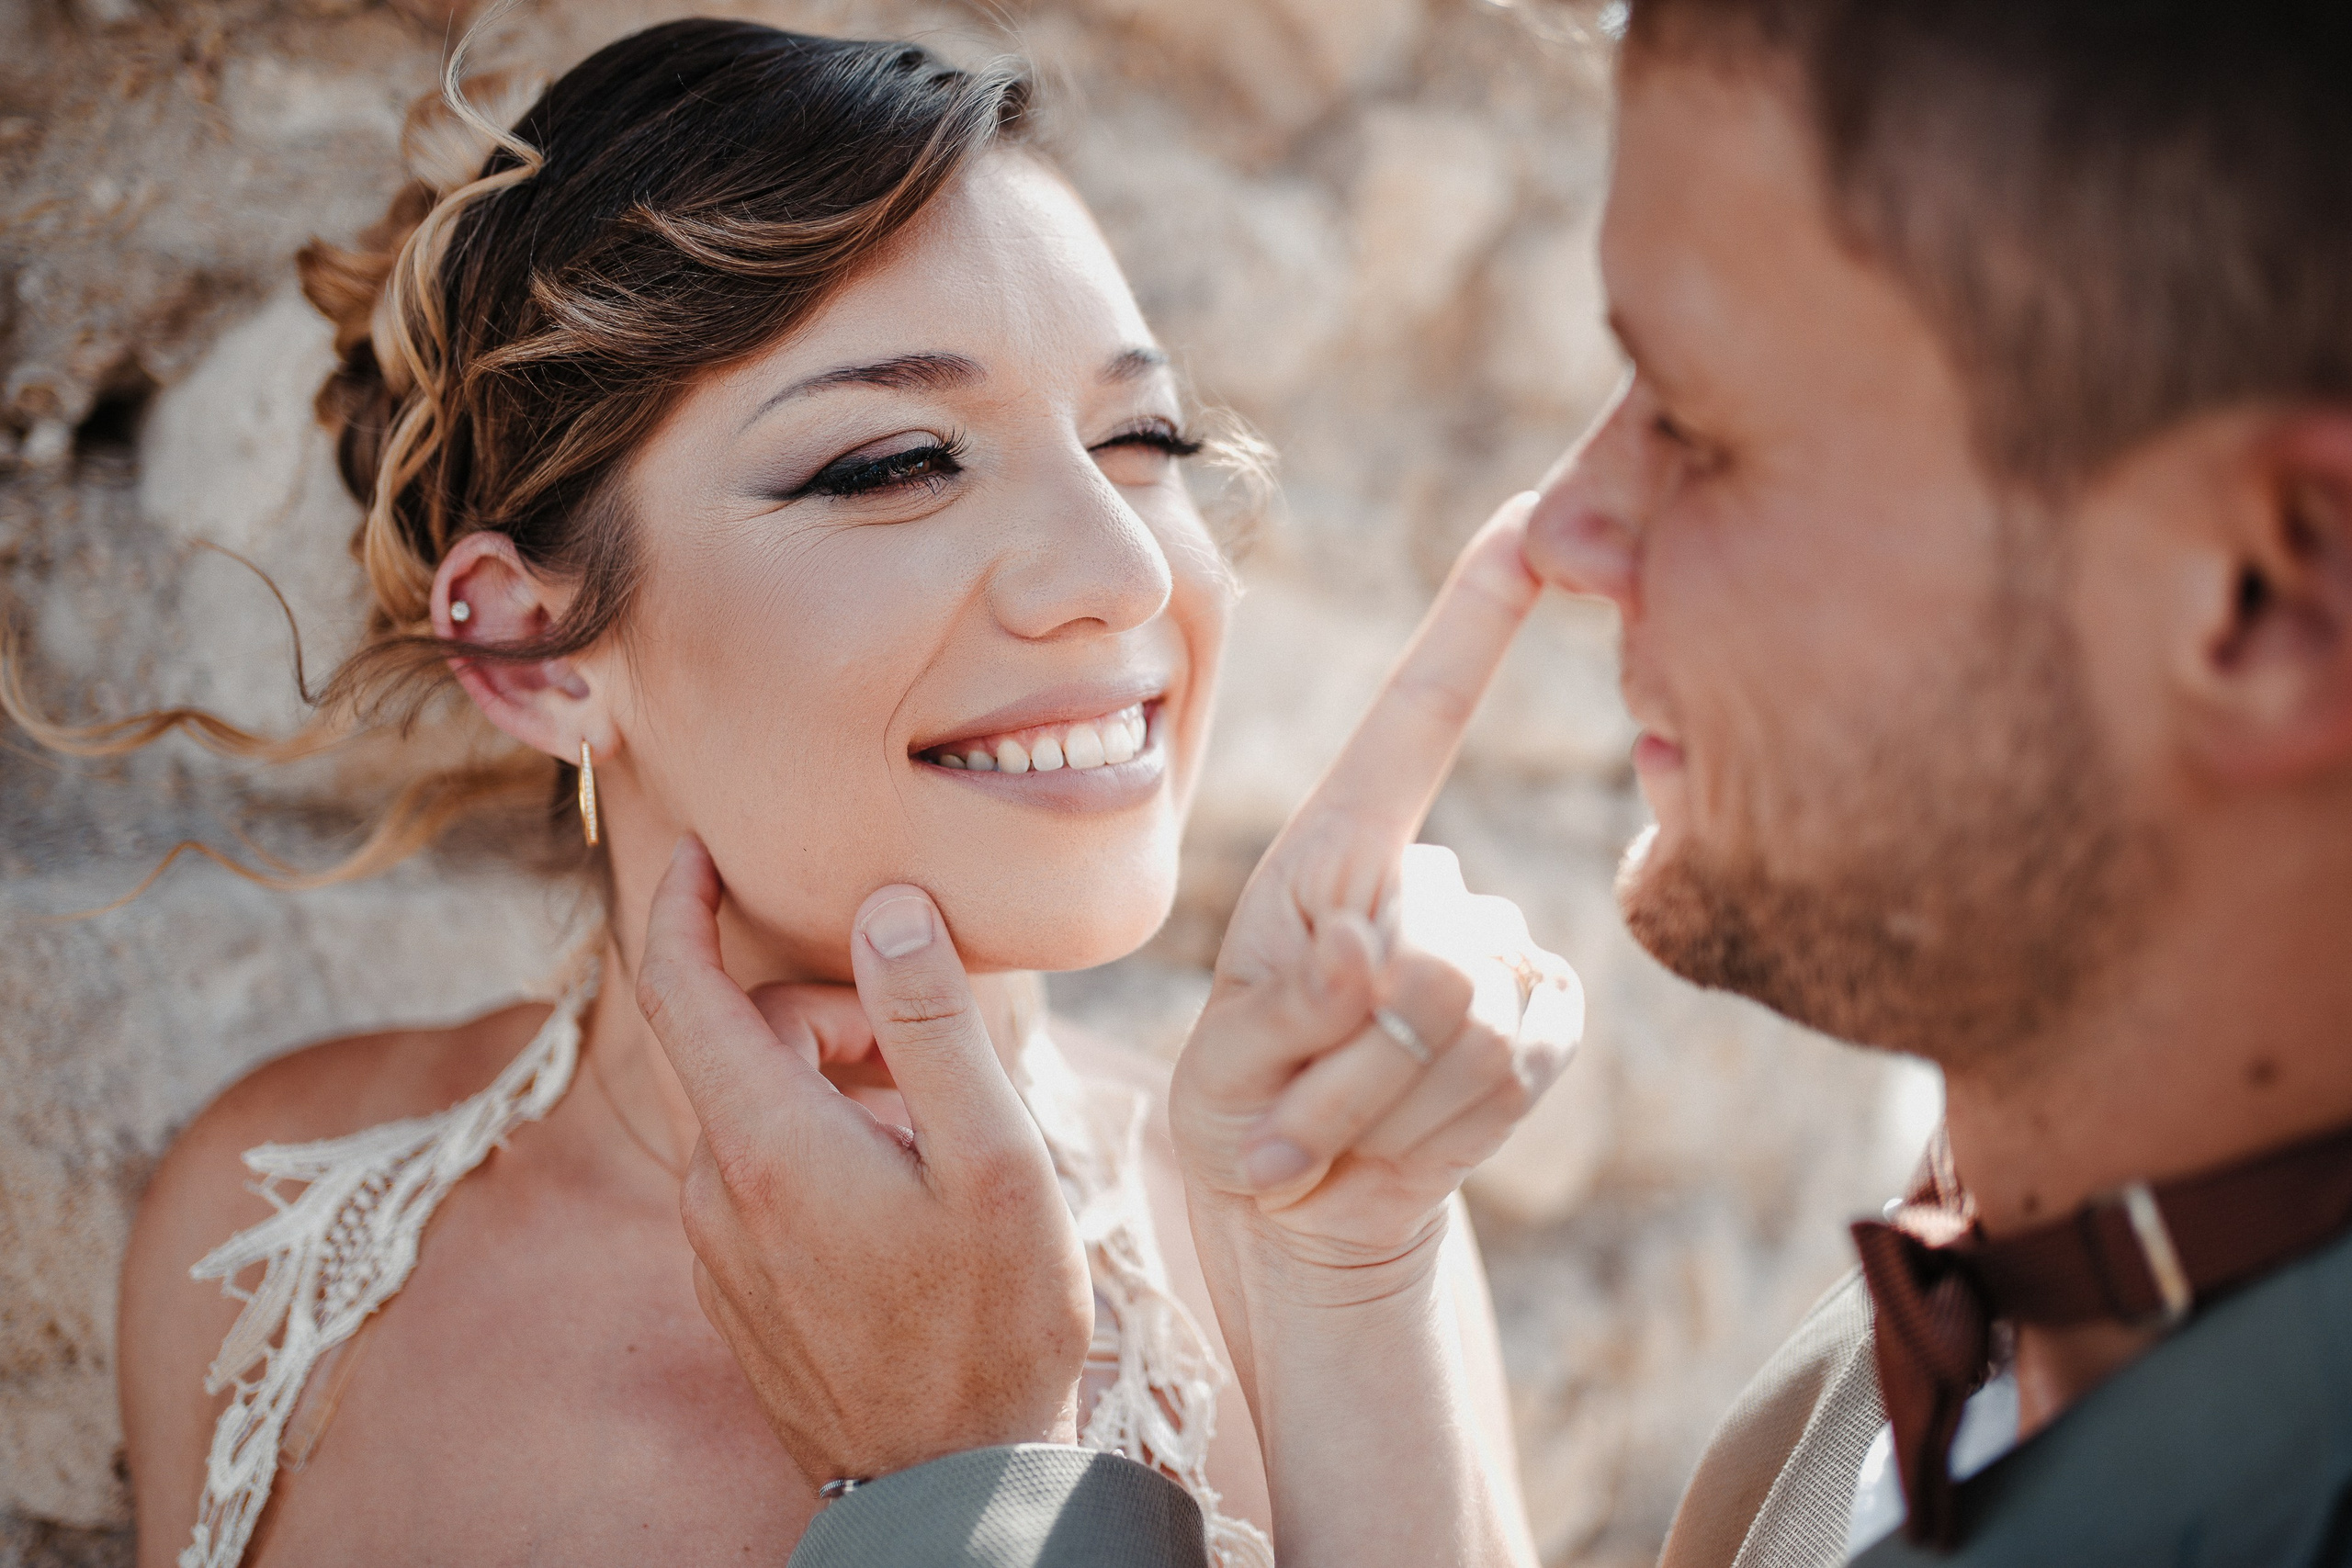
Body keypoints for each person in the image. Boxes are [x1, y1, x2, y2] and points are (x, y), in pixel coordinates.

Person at [641, 2, 2352, 1565]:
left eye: (1700, 417)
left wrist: (964, 1492)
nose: (1573, 530)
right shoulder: (1874, 1383)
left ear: (2264, 592)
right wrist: (1338, 1259)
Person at [68, 18, 1581, 1568]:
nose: (1127, 570)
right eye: (895, 462)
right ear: (530, 647)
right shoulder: (275, 1233)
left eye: (1143, 438)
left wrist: (1349, 1275)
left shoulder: (1306, 1226)